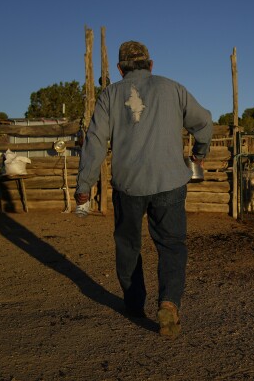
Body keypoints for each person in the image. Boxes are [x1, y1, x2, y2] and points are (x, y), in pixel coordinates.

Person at [74, 41, 212, 339]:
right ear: (150, 65)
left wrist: (84, 186)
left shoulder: (110, 94)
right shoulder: (173, 88)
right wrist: (199, 155)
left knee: (128, 245)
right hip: (170, 183)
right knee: (171, 245)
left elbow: (95, 142)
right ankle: (169, 303)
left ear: (121, 69)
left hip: (129, 185)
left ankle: (135, 304)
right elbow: (203, 122)